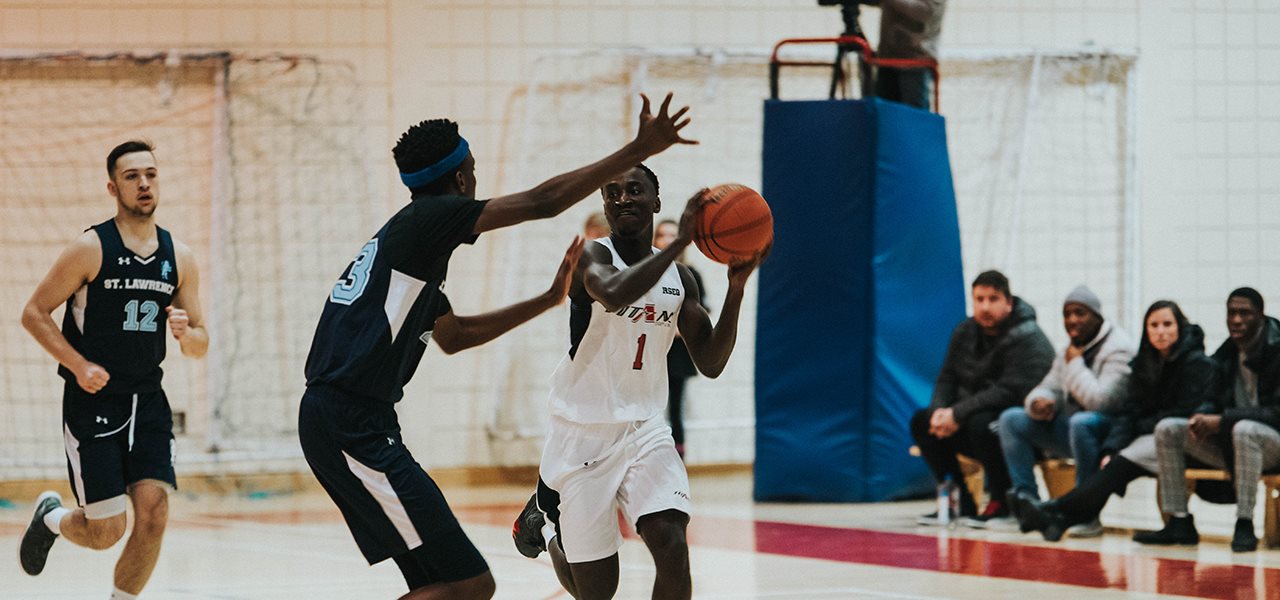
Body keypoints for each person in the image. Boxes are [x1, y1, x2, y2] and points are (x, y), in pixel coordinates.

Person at [296, 93, 696, 600]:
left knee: (452, 585)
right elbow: (542, 203)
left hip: (359, 422)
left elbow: (455, 336)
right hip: (347, 423)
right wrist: (639, 147)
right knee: (471, 584)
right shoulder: (429, 219)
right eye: (474, 170)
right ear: (461, 180)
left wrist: (550, 299)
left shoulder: (412, 255)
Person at [513, 165, 765, 600]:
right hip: (582, 434)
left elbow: (711, 361)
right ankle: (546, 526)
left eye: (634, 190)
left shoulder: (680, 280)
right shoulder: (592, 257)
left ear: (656, 202)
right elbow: (613, 294)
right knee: (596, 591)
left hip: (646, 428)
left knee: (672, 547)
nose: (623, 198)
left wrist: (737, 288)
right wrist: (681, 243)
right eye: (612, 193)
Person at [18, 140, 209, 599]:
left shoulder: (178, 256)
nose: (144, 183)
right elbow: (34, 313)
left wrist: (186, 333)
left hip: (149, 400)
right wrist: (78, 365)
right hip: (94, 400)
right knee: (106, 531)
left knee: (154, 513)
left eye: (151, 174)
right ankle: (52, 517)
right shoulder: (90, 247)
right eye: (131, 176)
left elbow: (200, 344)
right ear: (113, 187)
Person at [1011, 300, 1216, 542]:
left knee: (1118, 466)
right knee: (1112, 464)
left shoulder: (1197, 363)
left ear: (1180, 327)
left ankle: (1053, 509)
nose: (1160, 331)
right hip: (1150, 436)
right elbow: (1129, 412)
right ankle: (1061, 518)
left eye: (1167, 324)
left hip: (1185, 439)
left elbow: (1182, 412)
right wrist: (1110, 448)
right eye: (1154, 325)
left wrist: (1130, 437)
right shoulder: (1144, 363)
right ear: (1146, 329)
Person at [1132, 288, 1280, 552]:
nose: (1236, 320)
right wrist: (1202, 416)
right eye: (1231, 313)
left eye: (1244, 313)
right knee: (1169, 429)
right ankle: (1179, 521)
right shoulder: (1227, 352)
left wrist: (1223, 421)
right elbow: (1211, 396)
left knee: (1245, 429)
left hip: (1272, 445)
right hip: (1234, 446)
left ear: (1261, 315)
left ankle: (1244, 523)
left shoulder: (1277, 350)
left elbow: (1277, 414)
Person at [910, 270, 1054, 528]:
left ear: (1008, 302)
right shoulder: (965, 331)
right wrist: (941, 413)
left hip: (1024, 429)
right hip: (972, 418)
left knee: (982, 423)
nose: (985, 306)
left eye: (993, 299)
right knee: (923, 421)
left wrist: (958, 413)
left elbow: (1009, 391)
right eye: (979, 299)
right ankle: (957, 500)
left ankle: (1003, 501)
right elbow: (947, 377)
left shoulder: (1028, 336)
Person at [996, 285, 1136, 537]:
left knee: (1082, 422)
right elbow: (1047, 387)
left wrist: (1075, 364)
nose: (1072, 320)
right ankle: (1028, 503)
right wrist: (1040, 402)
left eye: (1079, 313)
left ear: (1096, 316)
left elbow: (1101, 402)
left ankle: (1086, 512)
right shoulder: (1071, 350)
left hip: (1111, 437)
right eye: (1067, 314)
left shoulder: (1119, 348)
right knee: (1011, 419)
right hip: (1075, 432)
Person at [653, 218, 707, 459]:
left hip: (676, 353)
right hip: (650, 351)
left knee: (675, 409)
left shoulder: (690, 274)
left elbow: (699, 316)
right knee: (648, 408)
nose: (667, 240)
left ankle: (677, 460)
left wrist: (674, 329)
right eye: (662, 235)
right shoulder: (646, 272)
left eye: (673, 235)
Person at [875, 0, 947, 109]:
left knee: (915, 117)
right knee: (886, 117)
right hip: (887, 59)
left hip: (915, 62)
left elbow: (927, 11)